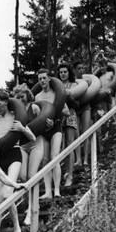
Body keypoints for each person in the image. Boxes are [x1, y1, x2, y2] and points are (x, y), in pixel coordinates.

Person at [0, 90, 30, 232]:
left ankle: (18, 230)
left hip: (14, 155)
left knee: (7, 193)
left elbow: (32, 138)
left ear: (6, 102)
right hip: (0, 158)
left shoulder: (16, 115)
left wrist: (23, 129)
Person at [12, 83, 45, 225]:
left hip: (36, 143)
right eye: (17, 96)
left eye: (22, 95)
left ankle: (32, 210)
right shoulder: (15, 112)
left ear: (27, 95)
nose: (20, 98)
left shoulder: (34, 108)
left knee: (32, 176)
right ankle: (29, 204)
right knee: (23, 177)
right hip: (23, 145)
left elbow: (42, 123)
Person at [35, 69, 67, 198]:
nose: (42, 80)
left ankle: (57, 190)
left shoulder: (57, 94)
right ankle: (48, 191)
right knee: (44, 160)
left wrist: (55, 115)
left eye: (44, 78)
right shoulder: (37, 97)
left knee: (55, 157)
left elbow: (67, 111)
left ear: (49, 79)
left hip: (56, 127)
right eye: (40, 79)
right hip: (43, 130)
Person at [58, 63, 79, 187]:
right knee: (61, 146)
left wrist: (67, 96)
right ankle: (65, 172)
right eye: (61, 72)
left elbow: (77, 103)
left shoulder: (74, 85)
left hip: (70, 114)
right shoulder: (57, 85)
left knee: (70, 145)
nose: (63, 74)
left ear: (69, 72)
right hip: (59, 117)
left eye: (65, 71)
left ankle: (70, 175)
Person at [73, 60, 92, 167]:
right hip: (76, 108)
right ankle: (78, 159)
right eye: (79, 68)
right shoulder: (73, 82)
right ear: (75, 70)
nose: (81, 70)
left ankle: (85, 160)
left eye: (82, 68)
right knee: (76, 134)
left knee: (86, 133)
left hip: (85, 107)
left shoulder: (88, 80)